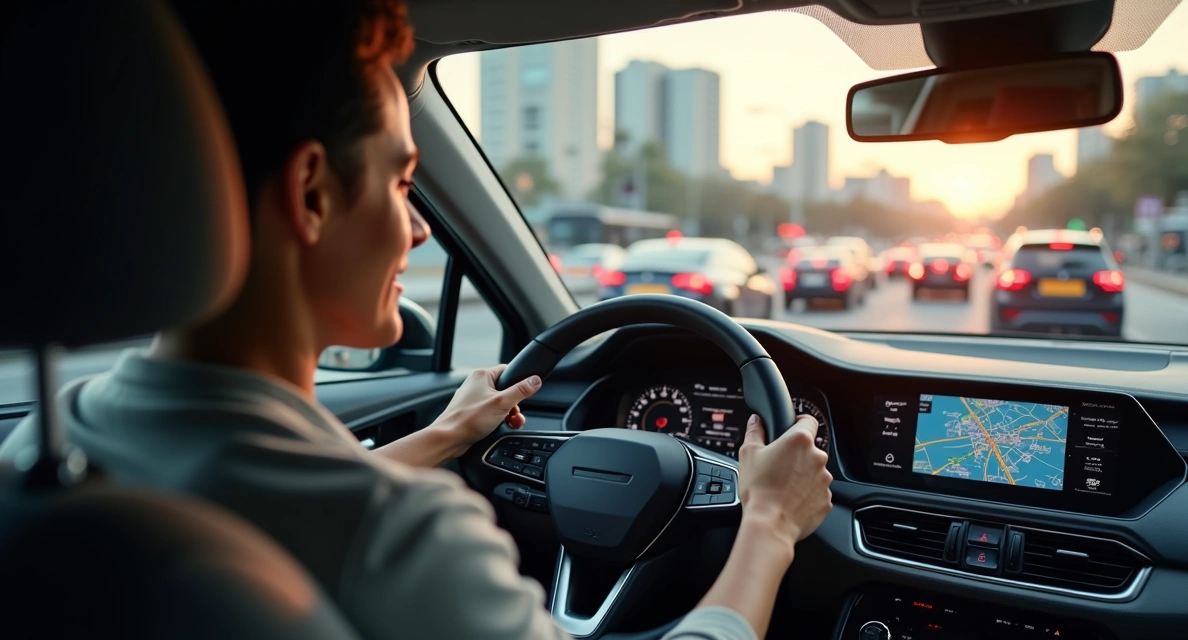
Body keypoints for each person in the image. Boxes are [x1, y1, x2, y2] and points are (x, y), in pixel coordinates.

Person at [0, 1, 833, 638]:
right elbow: (332, 516)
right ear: (313, 194)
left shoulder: (47, 446)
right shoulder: (402, 539)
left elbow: (259, 493)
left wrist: (443, 436)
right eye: (403, 185)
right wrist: (767, 523)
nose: (422, 227)